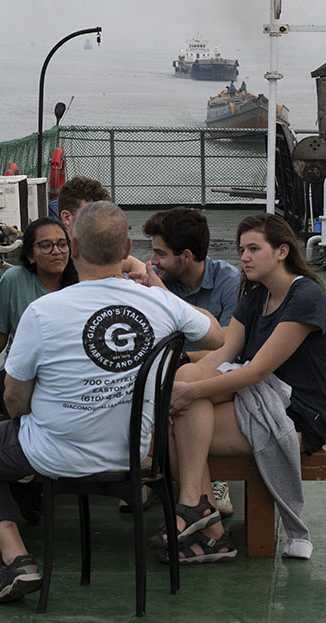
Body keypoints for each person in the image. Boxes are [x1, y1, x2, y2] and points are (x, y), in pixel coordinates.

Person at [0, 201, 224, 603]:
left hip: (53, 456)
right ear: (127, 246)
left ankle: (16, 559)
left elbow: (13, 395)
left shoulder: (43, 312)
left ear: (74, 248)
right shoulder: (159, 303)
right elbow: (216, 337)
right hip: (135, 455)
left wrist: (25, 416)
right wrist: (159, 292)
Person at [160, 212, 326, 564]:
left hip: (295, 415)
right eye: (242, 249)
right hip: (258, 401)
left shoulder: (305, 297)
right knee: (184, 404)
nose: (244, 257)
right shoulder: (256, 296)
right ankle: (203, 517)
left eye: (254, 249)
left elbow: (257, 371)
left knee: (184, 415)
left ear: (283, 251)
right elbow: (220, 354)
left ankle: (202, 517)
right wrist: (182, 383)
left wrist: (190, 391)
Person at [142, 206, 242, 515]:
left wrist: (183, 355)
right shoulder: (156, 278)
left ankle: (203, 482)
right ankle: (171, 477)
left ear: (185, 256)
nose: (152, 261)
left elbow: (229, 347)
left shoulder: (228, 281)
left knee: (187, 386)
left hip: (212, 373)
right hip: (169, 370)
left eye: (159, 253)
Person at [0, 217, 78, 396]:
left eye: (62, 244)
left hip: (68, 372)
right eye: (46, 245)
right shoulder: (13, 280)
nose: (56, 251)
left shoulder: (81, 283)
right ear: (30, 256)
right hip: (20, 372)